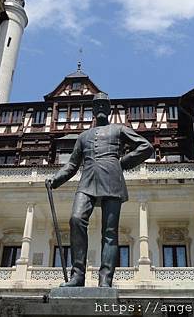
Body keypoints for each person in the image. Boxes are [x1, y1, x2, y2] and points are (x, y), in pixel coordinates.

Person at [46, 92, 154, 287]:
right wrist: (56, 179)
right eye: (98, 105)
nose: (102, 108)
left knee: (109, 232)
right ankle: (77, 276)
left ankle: (105, 279)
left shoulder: (119, 129)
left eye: (105, 105)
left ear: (110, 109)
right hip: (87, 181)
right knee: (76, 219)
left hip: (112, 180)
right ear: (93, 111)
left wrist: (121, 163)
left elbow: (146, 147)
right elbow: (71, 165)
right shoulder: (83, 136)